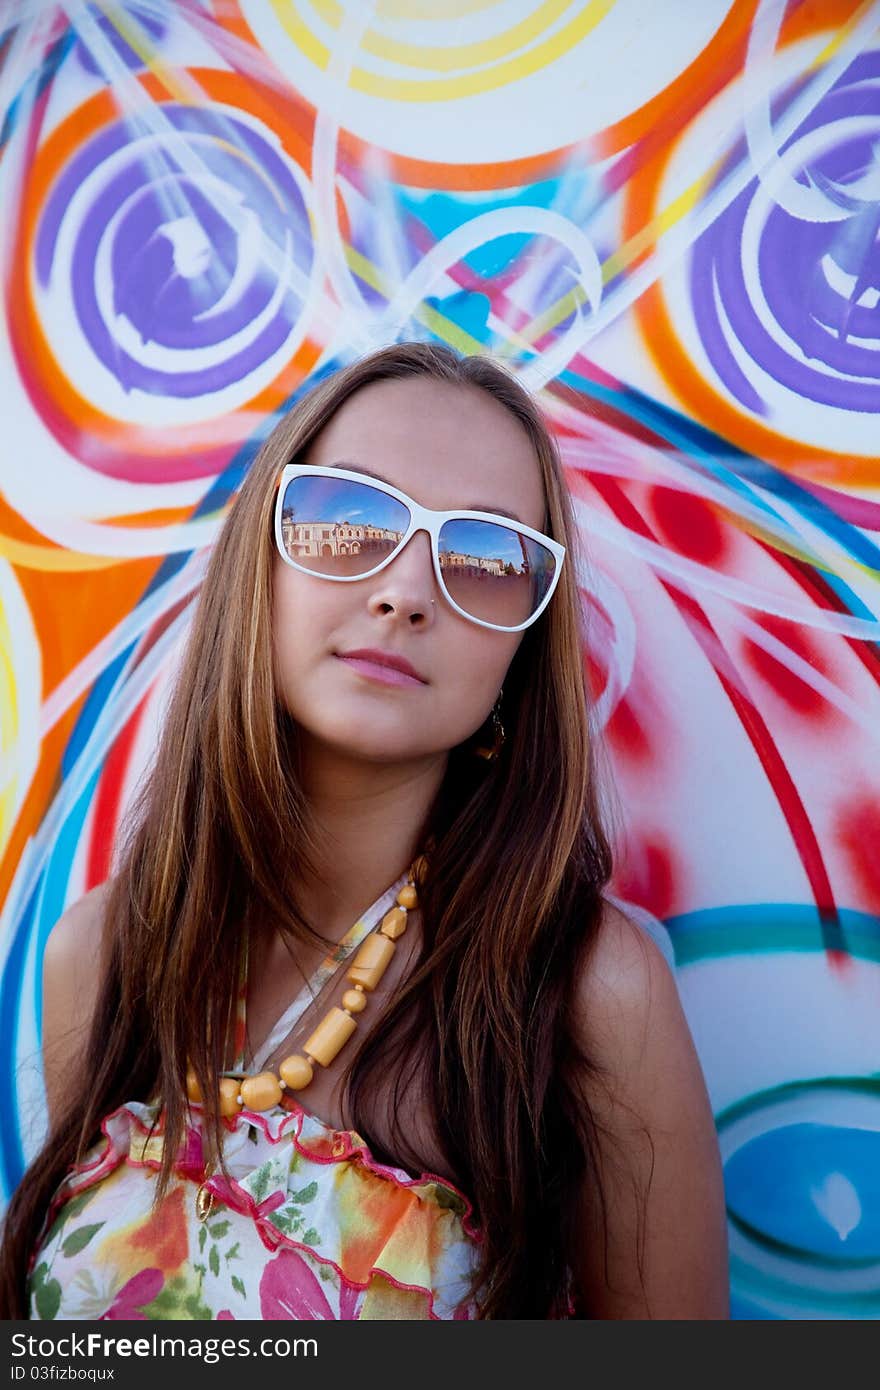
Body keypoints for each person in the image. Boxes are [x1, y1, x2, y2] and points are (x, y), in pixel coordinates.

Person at [0, 342, 729, 1320]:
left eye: (484, 556)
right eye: (348, 519)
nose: (405, 592)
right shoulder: (101, 951)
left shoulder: (586, 993)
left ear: (521, 653)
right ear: (260, 559)